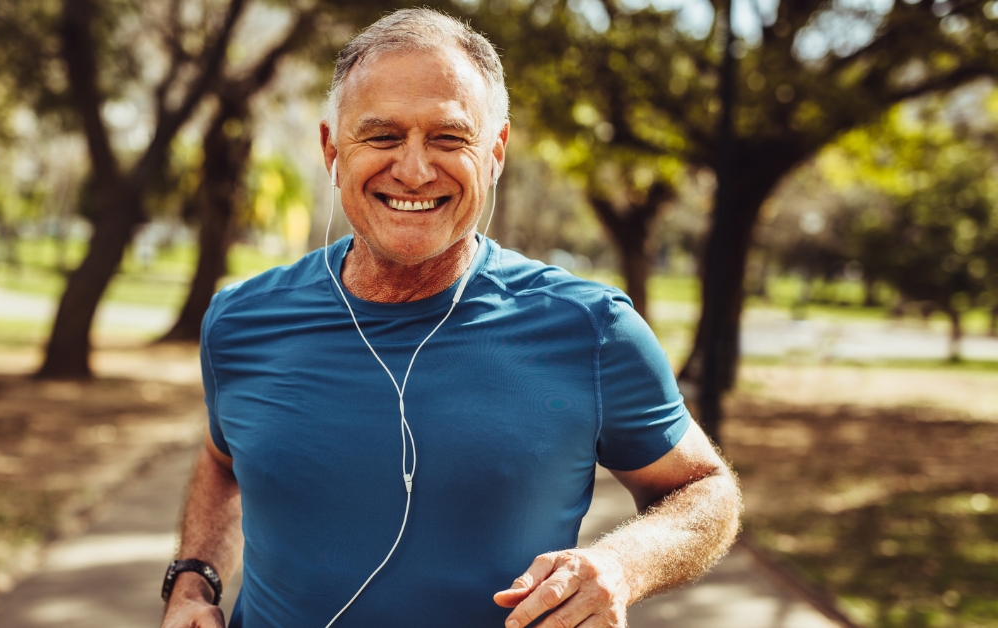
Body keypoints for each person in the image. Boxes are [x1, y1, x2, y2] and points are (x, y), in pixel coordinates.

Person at [161, 9, 741, 628]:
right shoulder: (242, 320)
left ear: (495, 151)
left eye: (448, 137)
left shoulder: (591, 329)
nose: (413, 170)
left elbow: (706, 490)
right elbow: (223, 460)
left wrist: (623, 565)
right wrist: (192, 580)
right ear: (332, 148)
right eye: (381, 136)